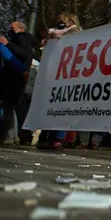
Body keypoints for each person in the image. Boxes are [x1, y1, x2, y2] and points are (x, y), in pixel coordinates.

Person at [37, 14, 81, 150]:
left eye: (64, 22)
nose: (61, 24)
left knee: (62, 105)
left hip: (67, 74)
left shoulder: (76, 33)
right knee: (48, 105)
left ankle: (59, 137)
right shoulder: (53, 35)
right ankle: (46, 136)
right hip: (53, 73)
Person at [0, 21, 36, 145]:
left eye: (12, 28)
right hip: (15, 75)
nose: (10, 30)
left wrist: (8, 44)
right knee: (16, 106)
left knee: (14, 106)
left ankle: (17, 134)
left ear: (21, 29)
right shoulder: (22, 39)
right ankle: (20, 135)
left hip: (16, 75)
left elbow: (24, 53)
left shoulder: (21, 39)